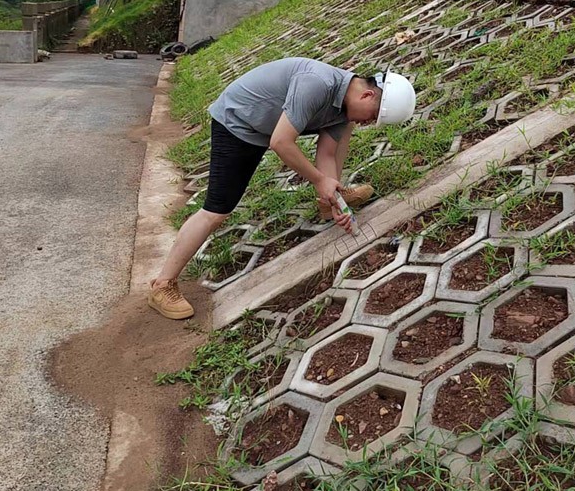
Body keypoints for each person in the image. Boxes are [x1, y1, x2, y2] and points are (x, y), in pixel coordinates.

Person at [148, 57, 416, 319]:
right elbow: (281, 142)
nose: (366, 123)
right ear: (368, 95)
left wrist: (334, 199)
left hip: (269, 124)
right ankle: (163, 285)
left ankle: (329, 201)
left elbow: (327, 154)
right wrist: (321, 181)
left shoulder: (343, 106)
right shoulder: (317, 84)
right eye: (371, 118)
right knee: (216, 211)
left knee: (343, 132)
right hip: (239, 122)